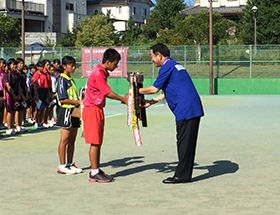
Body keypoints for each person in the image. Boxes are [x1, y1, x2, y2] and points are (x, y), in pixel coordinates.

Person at [139, 43, 204, 184]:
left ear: (159, 55)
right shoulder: (174, 65)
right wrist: (152, 102)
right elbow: (164, 92)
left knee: (184, 143)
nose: (151, 60)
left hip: (186, 109)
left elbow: (154, 89)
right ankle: (184, 174)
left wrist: (134, 90)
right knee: (186, 143)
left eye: (152, 56)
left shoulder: (166, 66)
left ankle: (182, 176)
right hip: (191, 108)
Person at [82, 48, 128, 183]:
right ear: (108, 62)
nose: (116, 66)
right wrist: (123, 99)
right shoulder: (98, 74)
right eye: (115, 63)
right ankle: (94, 172)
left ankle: (96, 169)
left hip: (96, 108)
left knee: (98, 141)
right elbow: (106, 92)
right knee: (95, 142)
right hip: (92, 109)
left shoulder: (101, 72)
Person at [56, 56, 83, 175]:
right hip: (66, 111)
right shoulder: (61, 79)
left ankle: (70, 163)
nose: (73, 67)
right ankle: (62, 165)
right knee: (64, 140)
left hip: (74, 112)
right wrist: (78, 102)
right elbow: (62, 99)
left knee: (72, 139)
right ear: (64, 66)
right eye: (71, 65)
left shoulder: (70, 79)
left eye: (74, 65)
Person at [0, 58, 6, 130]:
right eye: (2, 63)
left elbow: (4, 85)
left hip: (1, 91)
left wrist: (4, 96)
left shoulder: (2, 72)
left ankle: (1, 123)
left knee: (1, 109)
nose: (3, 65)